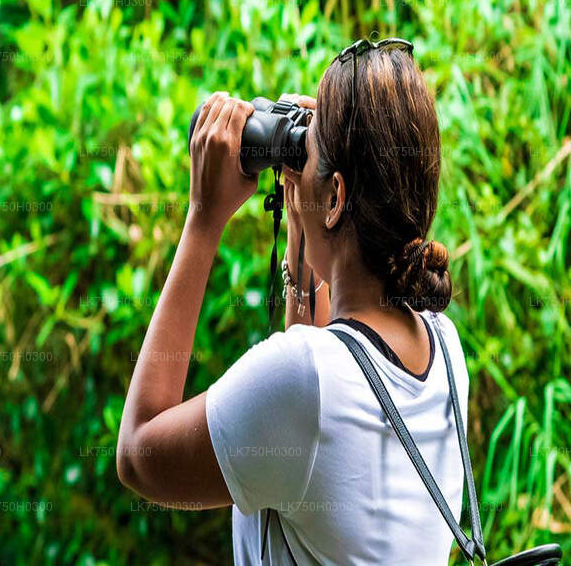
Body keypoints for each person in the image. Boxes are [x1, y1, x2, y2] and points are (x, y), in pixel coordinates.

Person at [117, 39, 468, 564]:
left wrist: (204, 217)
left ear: (336, 199)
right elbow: (317, 440)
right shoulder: (444, 346)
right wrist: (307, 216)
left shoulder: (305, 380)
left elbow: (139, 454)